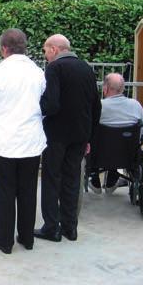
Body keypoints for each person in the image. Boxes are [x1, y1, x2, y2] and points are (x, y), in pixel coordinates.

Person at [0, 28, 46, 254]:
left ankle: (5, 241)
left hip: (3, 140)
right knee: (28, 190)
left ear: (4, 48)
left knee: (6, 192)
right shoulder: (38, 72)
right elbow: (43, 103)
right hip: (30, 140)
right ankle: (27, 238)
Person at [35, 34, 101, 243]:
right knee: (72, 179)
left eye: (45, 51)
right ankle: (70, 227)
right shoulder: (86, 68)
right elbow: (95, 105)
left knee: (52, 178)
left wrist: (38, 109)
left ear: (54, 49)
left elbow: (52, 104)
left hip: (56, 135)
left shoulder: (54, 69)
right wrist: (90, 135)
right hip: (80, 134)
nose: (45, 56)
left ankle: (51, 227)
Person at [89, 73, 143, 194]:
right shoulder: (135, 105)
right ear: (123, 89)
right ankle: (113, 176)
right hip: (127, 155)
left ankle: (94, 176)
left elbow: (88, 129)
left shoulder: (99, 106)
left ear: (105, 88)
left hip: (99, 155)